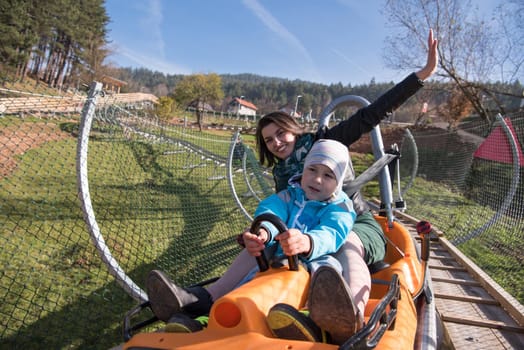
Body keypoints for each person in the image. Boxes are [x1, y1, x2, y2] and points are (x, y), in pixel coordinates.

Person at [146, 28, 438, 343]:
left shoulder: (324, 143)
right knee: (256, 249)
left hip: (347, 218)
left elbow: (371, 114)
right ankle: (201, 301)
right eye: (268, 140)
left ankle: (347, 312)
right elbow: (279, 207)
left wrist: (422, 75)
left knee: (349, 245)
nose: (276, 143)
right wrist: (259, 232)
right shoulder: (286, 175)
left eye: (280, 134)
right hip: (300, 230)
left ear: (293, 130)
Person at [147, 139, 356, 333]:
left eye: (328, 175)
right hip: (277, 261)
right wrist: (264, 232)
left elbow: (333, 231)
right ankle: (207, 307)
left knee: (329, 268)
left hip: (311, 261)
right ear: (304, 169)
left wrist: (309, 242)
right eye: (312, 169)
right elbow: (273, 210)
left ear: (338, 182)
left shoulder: (339, 208)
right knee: (256, 250)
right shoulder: (290, 194)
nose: (317, 179)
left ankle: (309, 317)